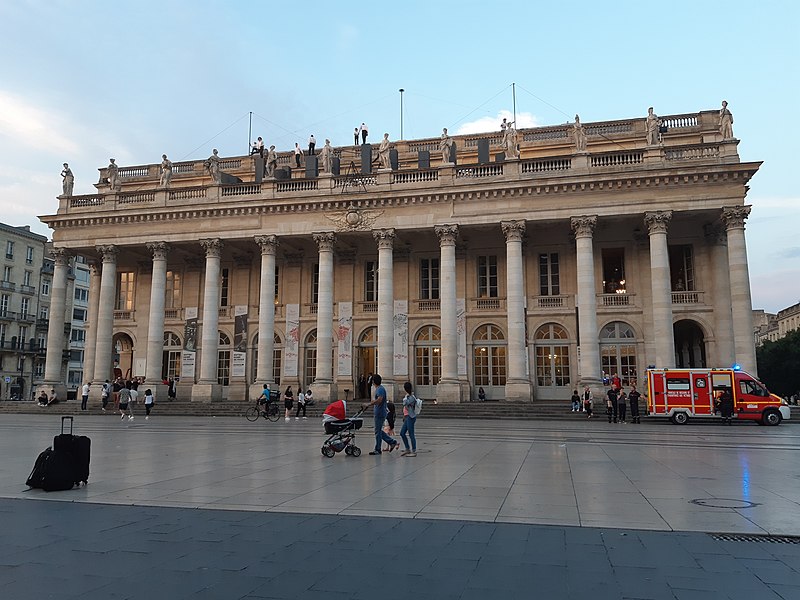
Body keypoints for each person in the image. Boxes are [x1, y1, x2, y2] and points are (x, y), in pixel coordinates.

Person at [362, 373, 398, 455]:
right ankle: (392, 442)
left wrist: (369, 404)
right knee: (378, 431)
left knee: (377, 431)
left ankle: (378, 449)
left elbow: (379, 400)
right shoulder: (379, 389)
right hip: (379, 412)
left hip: (380, 413)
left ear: (373, 382)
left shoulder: (380, 389)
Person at [399, 381, 418, 457]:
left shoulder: (412, 397)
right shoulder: (408, 396)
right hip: (407, 417)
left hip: (410, 417)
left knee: (411, 434)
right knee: (402, 433)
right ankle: (407, 448)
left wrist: (405, 398)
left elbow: (405, 403)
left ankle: (414, 450)